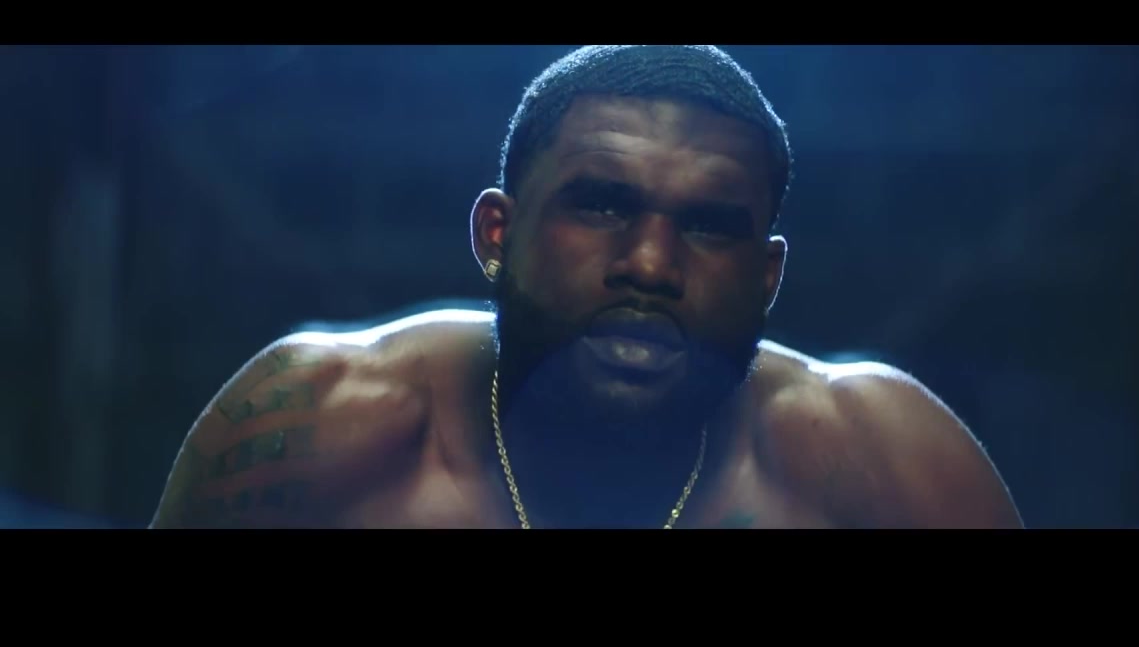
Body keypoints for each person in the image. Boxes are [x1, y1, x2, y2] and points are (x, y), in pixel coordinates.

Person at [149, 45, 1023, 529]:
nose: (650, 265)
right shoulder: (318, 425)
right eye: (602, 206)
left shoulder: (881, 465)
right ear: (497, 235)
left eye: (708, 225)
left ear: (767, 277)